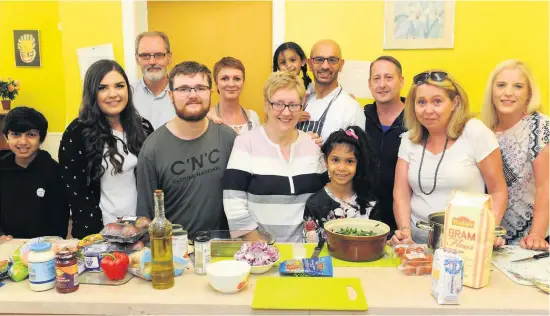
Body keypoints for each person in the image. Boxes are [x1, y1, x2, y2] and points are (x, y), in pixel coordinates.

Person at [391, 70, 508, 246]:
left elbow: (498, 191)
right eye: (421, 102)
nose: (428, 110)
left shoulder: (475, 132)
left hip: (467, 242)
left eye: (437, 101)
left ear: (454, 103)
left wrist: (489, 231)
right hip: (418, 243)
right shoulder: (409, 139)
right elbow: (401, 193)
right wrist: (405, 232)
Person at [136, 61, 237, 240]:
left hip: (224, 251)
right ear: (171, 96)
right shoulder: (152, 149)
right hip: (176, 255)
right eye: (183, 89)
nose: (193, 95)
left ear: (211, 93)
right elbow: (146, 218)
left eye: (200, 88)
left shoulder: (228, 138)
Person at [223, 71, 325, 242]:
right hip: (260, 250)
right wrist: (261, 248)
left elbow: (324, 197)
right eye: (278, 104)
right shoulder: (245, 143)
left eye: (293, 105)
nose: (286, 113)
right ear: (266, 105)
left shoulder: (312, 146)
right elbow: (234, 202)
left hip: (305, 251)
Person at [59, 59, 154, 239]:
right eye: (102, 88)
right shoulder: (77, 133)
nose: (113, 94)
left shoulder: (144, 127)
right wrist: (102, 233)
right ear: (92, 93)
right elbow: (75, 192)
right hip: (98, 233)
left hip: (142, 229)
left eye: (119, 86)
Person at [481, 60, 549, 250]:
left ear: (529, 94)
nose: (508, 93)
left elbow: (546, 186)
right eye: (501, 85)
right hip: (495, 239)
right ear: (492, 91)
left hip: (534, 239)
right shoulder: (485, 130)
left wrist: (536, 234)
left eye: (518, 86)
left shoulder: (540, 127)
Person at [0, 107, 69, 239]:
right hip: (7, 243)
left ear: (41, 138)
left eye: (31, 134)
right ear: (6, 137)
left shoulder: (54, 172)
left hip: (43, 247)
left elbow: (60, 217)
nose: (23, 142)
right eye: (16, 134)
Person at [303, 126, 378, 242]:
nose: (341, 168)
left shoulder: (371, 201)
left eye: (349, 161)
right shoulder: (315, 204)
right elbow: (311, 248)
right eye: (335, 160)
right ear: (325, 161)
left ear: (359, 164)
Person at [364, 56, 406, 235]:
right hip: (364, 219)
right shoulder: (360, 117)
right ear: (369, 84)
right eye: (376, 78)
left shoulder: (416, 120)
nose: (382, 84)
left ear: (401, 81)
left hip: (403, 221)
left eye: (389, 78)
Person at [297, 39, 365, 142]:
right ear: (310, 64)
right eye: (319, 59)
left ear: (341, 65)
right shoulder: (301, 103)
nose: (325, 66)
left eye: (332, 60)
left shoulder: (352, 110)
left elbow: (357, 154)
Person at [133, 31, 176, 129]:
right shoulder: (127, 94)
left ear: (169, 57)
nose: (152, 62)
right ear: (137, 59)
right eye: (145, 56)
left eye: (158, 55)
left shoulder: (184, 93)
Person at [206, 57, 261, 134]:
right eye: (224, 78)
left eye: (237, 79)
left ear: (243, 83)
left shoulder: (253, 118)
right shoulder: (207, 118)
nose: (231, 84)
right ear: (216, 84)